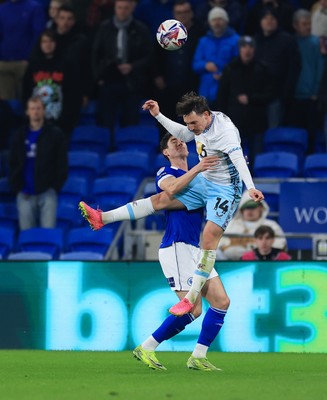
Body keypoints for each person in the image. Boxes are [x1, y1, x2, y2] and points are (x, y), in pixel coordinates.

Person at [79, 92, 264, 316]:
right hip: (206, 180)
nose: (191, 128)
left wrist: (250, 186)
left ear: (206, 115)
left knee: (208, 237)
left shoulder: (224, 132)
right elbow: (183, 133)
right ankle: (103, 218)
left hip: (226, 191)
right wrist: (158, 115)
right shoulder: (200, 124)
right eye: (188, 123)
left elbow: (237, 157)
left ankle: (191, 298)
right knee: (160, 199)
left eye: (194, 123)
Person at [133, 132, 228, 371]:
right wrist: (197, 168)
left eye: (181, 139)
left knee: (221, 301)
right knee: (194, 309)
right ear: (166, 152)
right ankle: (147, 347)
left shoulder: (197, 177)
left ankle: (198, 356)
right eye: (172, 141)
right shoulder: (166, 173)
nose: (179, 141)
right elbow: (172, 189)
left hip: (196, 249)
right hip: (176, 247)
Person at [92, 0, 154, 138]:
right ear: (115, 8)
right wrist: (99, 78)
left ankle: (129, 150)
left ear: (131, 9)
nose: (122, 11)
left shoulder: (141, 29)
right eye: (120, 8)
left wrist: (132, 66)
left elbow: (149, 56)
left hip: (132, 81)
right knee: (106, 118)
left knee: (131, 119)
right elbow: (95, 54)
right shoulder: (105, 28)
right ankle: (108, 148)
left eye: (126, 8)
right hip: (109, 79)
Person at [8, 96, 68, 231]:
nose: (35, 112)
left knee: (47, 236)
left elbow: (62, 164)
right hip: (25, 194)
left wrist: (54, 187)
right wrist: (17, 186)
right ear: (27, 112)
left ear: (43, 111)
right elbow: (13, 163)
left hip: (47, 193)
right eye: (32, 109)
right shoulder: (19, 136)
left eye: (38, 108)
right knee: (27, 237)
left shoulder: (55, 134)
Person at [216, 35, 273, 164]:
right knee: (233, 156)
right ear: (239, 49)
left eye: (250, 47)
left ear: (255, 49)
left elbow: (269, 95)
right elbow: (222, 97)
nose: (247, 50)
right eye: (244, 47)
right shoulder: (230, 69)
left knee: (256, 155)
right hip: (235, 121)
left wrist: (251, 99)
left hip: (257, 121)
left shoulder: (263, 69)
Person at [152, 0, 206, 131]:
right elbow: (155, 56)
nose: (183, 15)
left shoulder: (200, 32)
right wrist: (157, 76)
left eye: (186, 12)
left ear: (192, 13)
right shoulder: (165, 32)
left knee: (191, 124)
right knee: (166, 124)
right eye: (179, 12)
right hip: (168, 84)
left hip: (192, 86)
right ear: (174, 14)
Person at [285, 9, 325, 153]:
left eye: (309, 24)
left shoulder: (316, 43)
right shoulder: (291, 42)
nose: (308, 27)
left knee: (311, 136)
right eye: (304, 24)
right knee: (294, 135)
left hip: (311, 97)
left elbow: (320, 69)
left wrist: (316, 91)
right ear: (295, 25)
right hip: (294, 97)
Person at [254, 6, 301, 128]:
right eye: (265, 18)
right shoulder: (255, 41)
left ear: (277, 21)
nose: (269, 21)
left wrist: (285, 94)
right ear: (260, 21)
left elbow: (293, 68)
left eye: (272, 18)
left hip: (277, 97)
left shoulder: (287, 40)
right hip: (257, 96)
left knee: (273, 131)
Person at [217, 190, 287, 260]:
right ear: (241, 210)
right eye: (247, 208)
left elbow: (280, 245)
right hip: (229, 262)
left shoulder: (272, 226)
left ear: (261, 208)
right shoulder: (230, 225)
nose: (250, 211)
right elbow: (218, 244)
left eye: (253, 207)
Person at [192, 7, 239, 108]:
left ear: (226, 21)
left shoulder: (236, 40)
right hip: (206, 92)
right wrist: (205, 65)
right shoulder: (203, 41)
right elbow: (195, 64)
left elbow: (239, 64)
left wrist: (225, 74)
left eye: (220, 19)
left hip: (228, 90)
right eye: (214, 20)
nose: (217, 23)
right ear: (209, 22)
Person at [0, 0, 46, 100]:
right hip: (4, 63)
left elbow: (38, 35)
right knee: (5, 104)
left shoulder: (34, 7)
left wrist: (29, 57)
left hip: (25, 63)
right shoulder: (2, 9)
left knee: (26, 100)